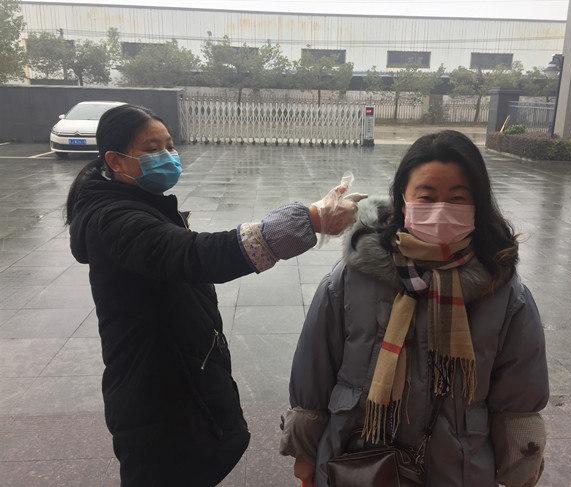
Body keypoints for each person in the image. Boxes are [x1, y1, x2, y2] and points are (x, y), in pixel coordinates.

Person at [64, 104, 364, 486]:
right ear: (115, 160)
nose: (167, 156)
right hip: (153, 391)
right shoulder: (113, 219)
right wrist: (310, 220)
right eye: (152, 149)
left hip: (177, 371)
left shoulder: (137, 203)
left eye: (169, 145)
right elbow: (197, 255)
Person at [280, 130, 549, 486]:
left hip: (458, 471)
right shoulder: (351, 278)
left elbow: (519, 395)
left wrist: (521, 462)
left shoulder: (502, 293)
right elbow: (314, 371)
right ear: (404, 201)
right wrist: (305, 453)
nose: (440, 209)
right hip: (360, 463)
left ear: (477, 204)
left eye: (457, 198)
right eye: (427, 197)